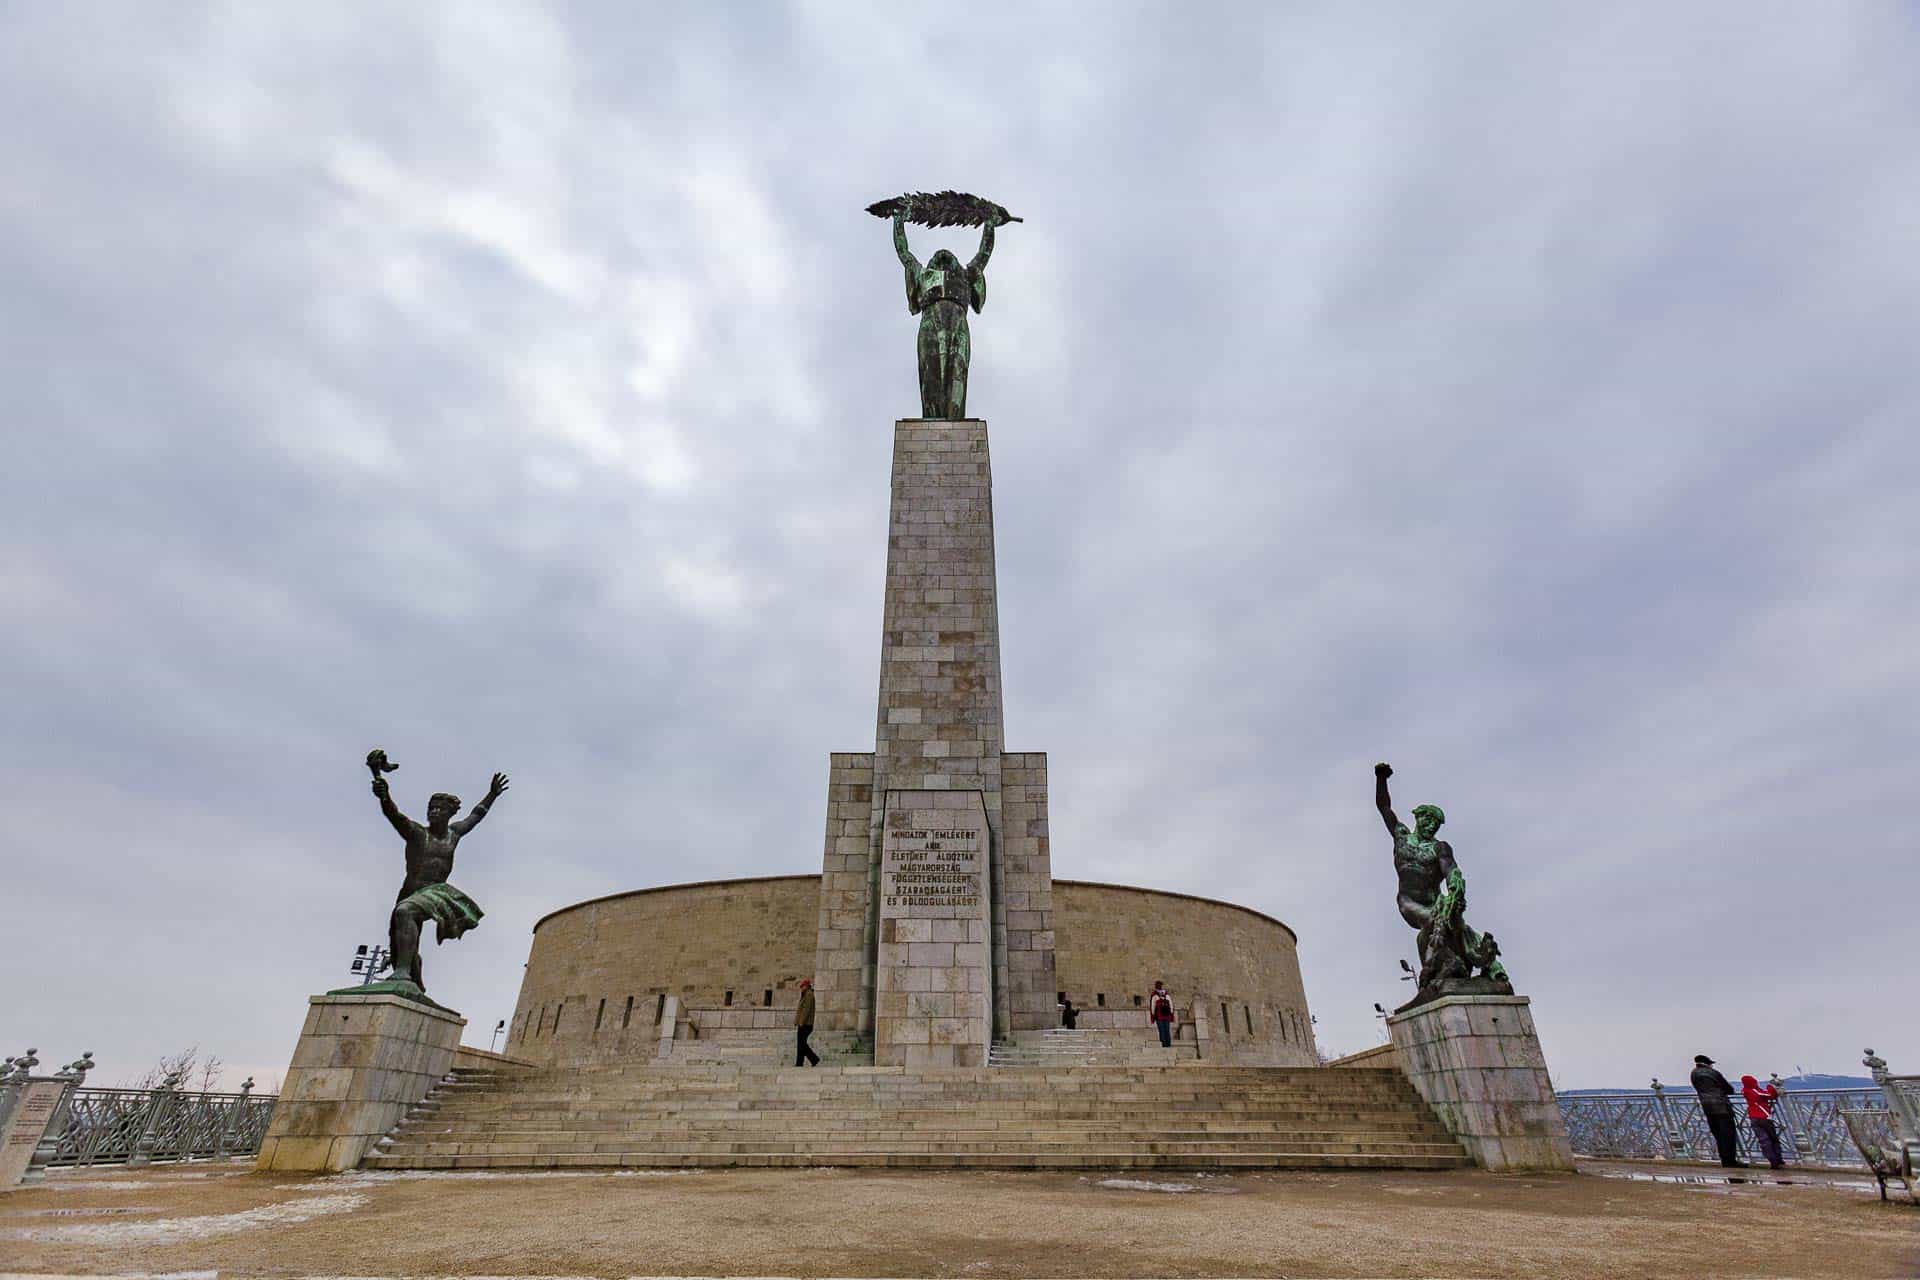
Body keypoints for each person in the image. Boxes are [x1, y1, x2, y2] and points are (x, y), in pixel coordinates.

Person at [1690, 1054, 1745, 1167]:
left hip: (1707, 1107)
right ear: (1708, 1064)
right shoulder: (1713, 1073)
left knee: (1718, 1135)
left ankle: (1724, 1159)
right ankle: (1730, 1161)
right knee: (1728, 1135)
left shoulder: (1693, 1073)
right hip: (1721, 1107)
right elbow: (1729, 1089)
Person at [1742, 1074, 1785, 1170]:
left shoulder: (1746, 1091)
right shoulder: (1754, 1091)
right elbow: (1769, 1095)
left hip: (1753, 1118)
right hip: (1763, 1117)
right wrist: (1771, 1086)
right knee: (1772, 1138)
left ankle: (1772, 1160)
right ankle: (1777, 1159)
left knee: (1764, 1140)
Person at [794, 979, 820, 1067]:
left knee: (801, 1045)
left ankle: (814, 1059)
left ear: (807, 986)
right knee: (801, 1044)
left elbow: (806, 1010)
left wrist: (801, 1022)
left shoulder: (809, 995)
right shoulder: (806, 995)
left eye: (803, 986)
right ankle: (800, 1063)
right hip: (803, 1023)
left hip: (806, 1024)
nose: (801, 988)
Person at [1149, 981, 1175, 1048]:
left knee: (1162, 1031)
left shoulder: (1154, 995)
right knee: (1167, 1030)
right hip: (1167, 1016)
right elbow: (1171, 1005)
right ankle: (1168, 1045)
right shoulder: (1167, 995)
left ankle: (1164, 1045)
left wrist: (1153, 1015)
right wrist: (1171, 1013)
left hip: (1159, 1016)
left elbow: (1152, 1006)